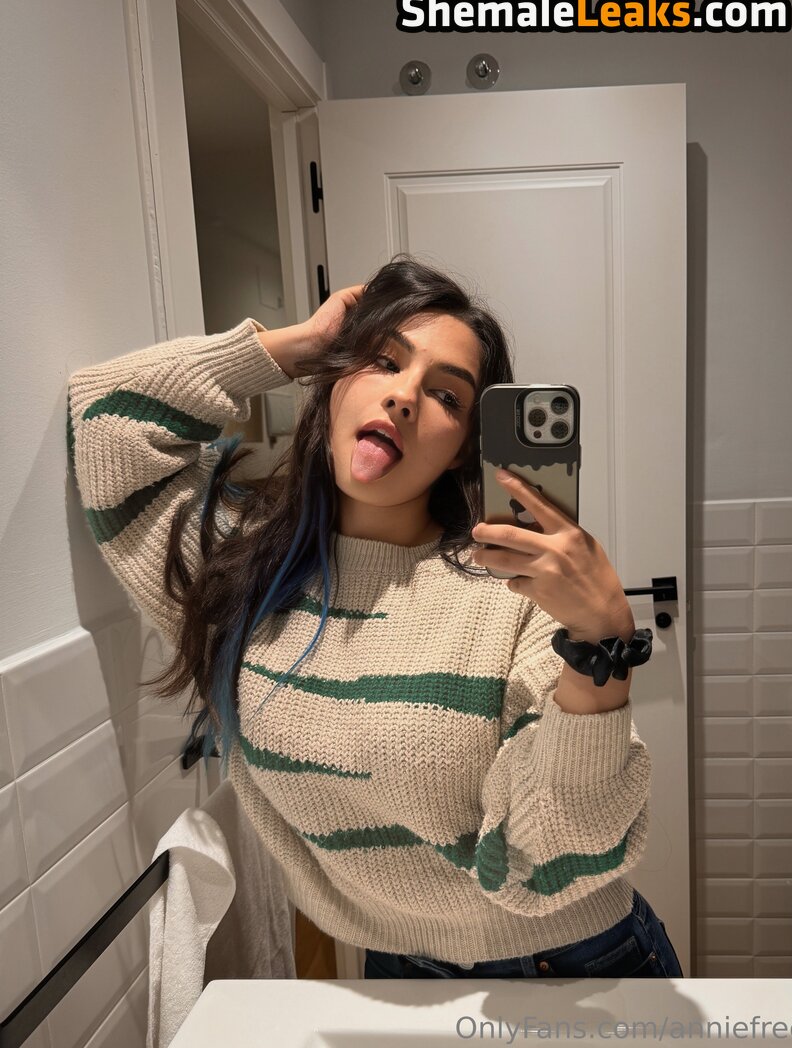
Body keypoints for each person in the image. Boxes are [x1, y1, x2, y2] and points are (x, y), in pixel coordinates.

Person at [67, 254, 683, 979]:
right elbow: (106, 426)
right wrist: (294, 347)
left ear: (463, 449)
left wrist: (600, 644)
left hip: (573, 965)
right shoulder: (238, 573)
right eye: (383, 361)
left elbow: (550, 861)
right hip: (394, 970)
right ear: (334, 382)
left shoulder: (511, 593)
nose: (403, 396)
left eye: (447, 395)